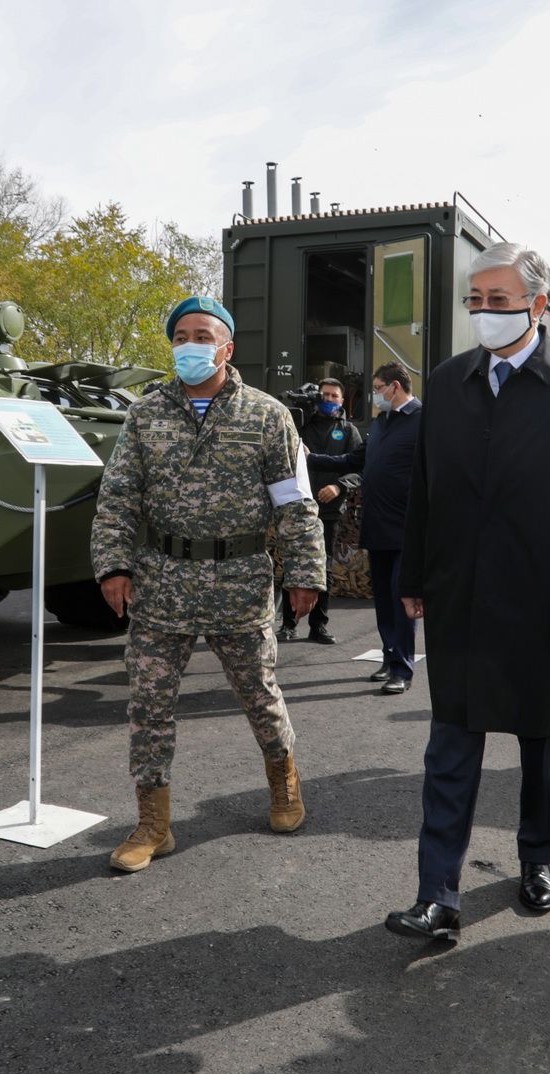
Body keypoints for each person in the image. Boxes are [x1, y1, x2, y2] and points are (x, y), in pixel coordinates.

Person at [384, 242, 550, 942]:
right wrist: (416, 576)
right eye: (476, 301)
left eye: (498, 300)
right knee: (450, 749)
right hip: (462, 598)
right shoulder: (451, 380)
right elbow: (427, 490)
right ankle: (437, 893)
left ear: (538, 304)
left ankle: (536, 860)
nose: (485, 313)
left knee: (544, 745)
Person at [88, 295, 328, 873]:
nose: (190, 345)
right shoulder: (146, 414)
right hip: (163, 582)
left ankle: (283, 782)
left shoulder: (268, 415)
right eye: (180, 336)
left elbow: (295, 503)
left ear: (227, 346)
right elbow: (118, 496)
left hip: (239, 581)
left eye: (202, 335)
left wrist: (304, 571)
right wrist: (113, 565)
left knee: (258, 696)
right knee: (148, 705)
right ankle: (153, 822)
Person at [310, 363, 424, 693]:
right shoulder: (382, 423)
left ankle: (402, 670)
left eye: (377, 388)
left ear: (396, 387)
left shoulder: (423, 421)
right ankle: (390, 659)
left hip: (406, 528)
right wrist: (309, 457)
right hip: (377, 526)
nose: (374, 395)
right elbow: (351, 461)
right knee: (385, 601)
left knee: (402, 598)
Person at [279, 378, 361, 644]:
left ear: (342, 399)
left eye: (333, 396)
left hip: (328, 510)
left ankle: (319, 625)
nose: (328, 400)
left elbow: (359, 468)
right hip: (298, 507)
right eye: (323, 395)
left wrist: (339, 486)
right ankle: (288, 624)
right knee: (293, 563)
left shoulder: (348, 431)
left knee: (322, 566)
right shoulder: (302, 425)